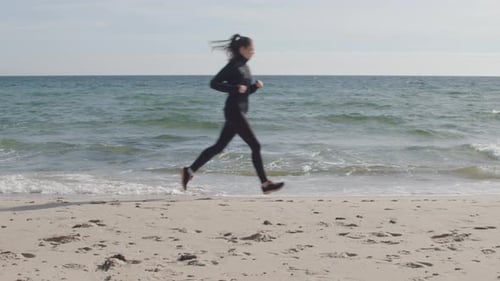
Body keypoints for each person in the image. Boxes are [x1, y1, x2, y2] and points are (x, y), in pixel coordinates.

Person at [181, 34, 284, 194]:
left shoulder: (245, 67)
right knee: (255, 146)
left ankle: (189, 171)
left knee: (219, 146)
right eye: (251, 49)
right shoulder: (233, 65)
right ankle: (265, 184)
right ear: (242, 49)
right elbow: (214, 83)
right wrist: (234, 88)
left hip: (238, 111)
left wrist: (254, 87)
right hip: (234, 111)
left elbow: (244, 92)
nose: (253, 52)